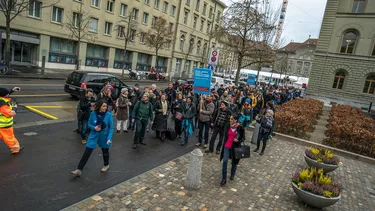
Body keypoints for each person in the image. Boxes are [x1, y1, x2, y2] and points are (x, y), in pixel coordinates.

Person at [71, 100, 114, 177]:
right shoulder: (93, 113)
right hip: (94, 135)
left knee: (105, 151)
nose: (105, 108)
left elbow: (111, 128)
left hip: (104, 136)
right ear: (99, 106)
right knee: (87, 152)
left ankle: (106, 165)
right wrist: (94, 127)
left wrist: (109, 138)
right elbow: (89, 123)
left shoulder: (108, 114)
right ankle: (79, 170)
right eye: (103, 106)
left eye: (106, 106)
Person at [220, 115, 245, 186]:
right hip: (227, 146)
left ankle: (232, 174)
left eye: (231, 119)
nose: (230, 120)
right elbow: (225, 135)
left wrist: (238, 140)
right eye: (230, 118)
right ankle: (224, 179)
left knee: (234, 162)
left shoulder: (240, 128)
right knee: (225, 161)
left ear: (235, 120)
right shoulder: (227, 125)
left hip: (235, 148)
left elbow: (243, 138)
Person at [0, 87, 24, 154]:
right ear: (5, 95)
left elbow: (3, 93)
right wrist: (14, 108)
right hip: (4, 125)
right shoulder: (3, 104)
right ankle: (15, 149)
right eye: (8, 93)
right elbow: (10, 114)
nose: (9, 94)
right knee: (10, 138)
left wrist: (12, 90)